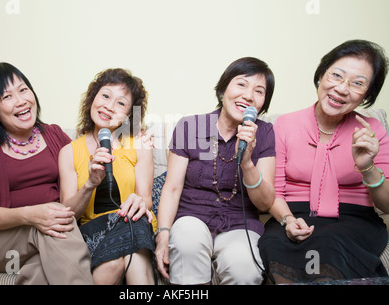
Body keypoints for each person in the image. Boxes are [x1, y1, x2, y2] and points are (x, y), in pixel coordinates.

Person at [259, 39, 389, 284]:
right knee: (272, 243)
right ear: (321, 76)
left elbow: (387, 203)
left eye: (358, 83)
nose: (342, 88)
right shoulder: (285, 125)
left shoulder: (372, 130)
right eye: (336, 75)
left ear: (367, 95)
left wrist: (367, 167)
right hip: (293, 214)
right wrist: (287, 220)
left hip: (355, 220)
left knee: (326, 243)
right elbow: (274, 191)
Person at [0, 62, 93, 284]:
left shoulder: (54, 135)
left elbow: (89, 158)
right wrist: (32, 216)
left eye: (23, 89)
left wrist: (130, 138)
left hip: (53, 236)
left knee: (43, 268)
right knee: (55, 221)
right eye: (7, 97)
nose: (21, 101)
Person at [155, 57, 276, 285]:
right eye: (241, 84)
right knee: (186, 242)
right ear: (223, 90)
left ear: (262, 104)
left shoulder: (266, 133)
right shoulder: (190, 126)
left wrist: (247, 162)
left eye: (259, 91)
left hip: (240, 224)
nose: (248, 95)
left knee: (244, 269)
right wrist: (162, 235)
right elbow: (171, 189)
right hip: (191, 217)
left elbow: (264, 203)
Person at [58, 68, 156, 285]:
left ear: (129, 114)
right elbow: (68, 215)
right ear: (93, 98)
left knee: (133, 229)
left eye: (121, 103)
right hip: (95, 232)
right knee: (114, 261)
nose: (109, 107)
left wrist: (138, 201)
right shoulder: (69, 152)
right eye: (105, 96)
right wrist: (90, 183)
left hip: (132, 221)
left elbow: (146, 199)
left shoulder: (139, 144)